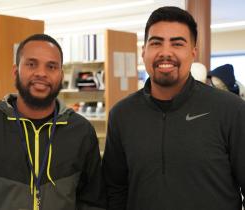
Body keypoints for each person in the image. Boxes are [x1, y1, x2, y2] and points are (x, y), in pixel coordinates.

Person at [102, 6, 245, 210]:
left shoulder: (231, 110)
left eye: (177, 43)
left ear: (193, 52)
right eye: (156, 43)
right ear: (144, 52)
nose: (165, 52)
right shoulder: (122, 115)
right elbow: (115, 190)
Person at [0, 34, 106, 210]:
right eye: (31, 64)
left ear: (61, 75)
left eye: (51, 66)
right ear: (16, 71)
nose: (41, 73)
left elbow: (93, 202)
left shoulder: (81, 131)